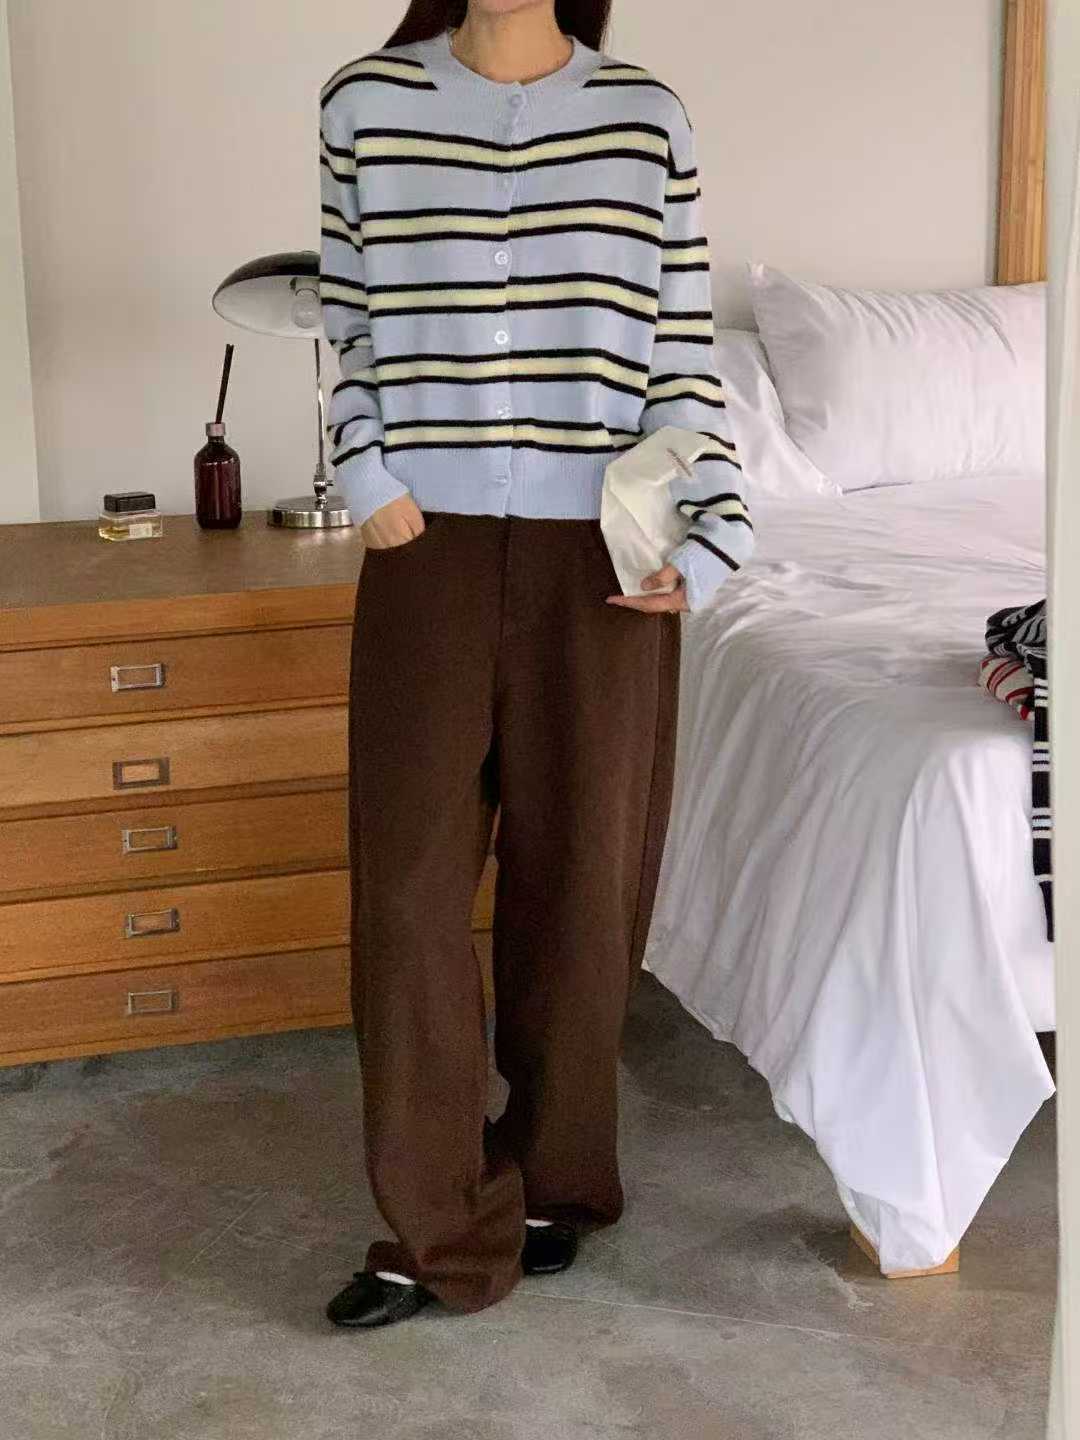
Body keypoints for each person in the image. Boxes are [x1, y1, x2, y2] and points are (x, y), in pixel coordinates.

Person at [318, 0, 753, 1328]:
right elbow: (349, 320)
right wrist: (366, 468)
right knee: (407, 891)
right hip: (427, 547)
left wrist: (715, 530)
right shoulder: (367, 104)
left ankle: (559, 1178)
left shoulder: (645, 116)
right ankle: (436, 1225)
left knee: (585, 884)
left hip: (603, 557)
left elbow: (681, 343)